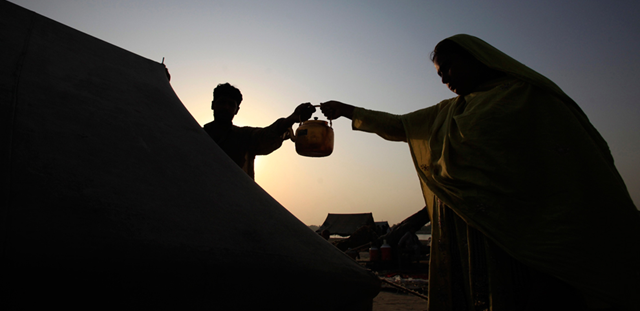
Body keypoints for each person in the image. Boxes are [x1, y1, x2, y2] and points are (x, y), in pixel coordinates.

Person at [320, 34, 640, 310]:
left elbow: (568, 164)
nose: (445, 79)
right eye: (440, 75)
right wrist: (347, 110)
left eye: (449, 68)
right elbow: (401, 125)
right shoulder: (450, 111)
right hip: (461, 237)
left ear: (477, 59)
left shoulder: (527, 97)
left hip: (515, 235)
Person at [203, 83, 315, 180]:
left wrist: (291, 119)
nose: (226, 107)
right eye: (222, 102)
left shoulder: (244, 137)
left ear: (237, 110)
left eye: (231, 104)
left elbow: (266, 136)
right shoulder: (197, 136)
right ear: (213, 105)